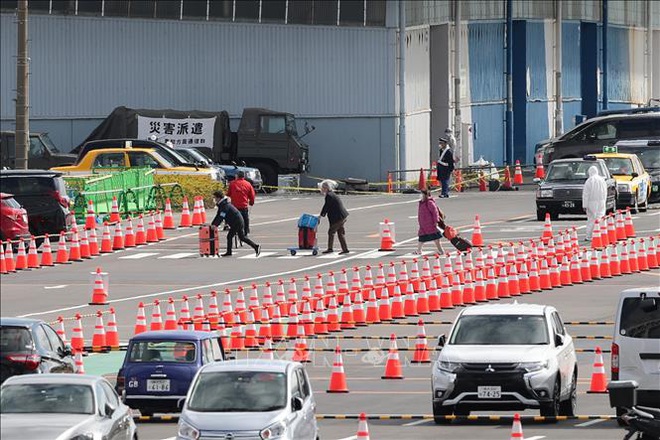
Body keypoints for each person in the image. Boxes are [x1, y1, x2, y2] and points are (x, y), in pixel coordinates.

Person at [211, 190, 261, 257]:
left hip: (236, 222)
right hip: (237, 221)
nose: (214, 199)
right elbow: (218, 215)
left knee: (230, 236)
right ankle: (256, 246)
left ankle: (229, 252)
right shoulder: (222, 204)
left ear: (219, 198)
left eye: (215, 198)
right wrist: (213, 224)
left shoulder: (224, 205)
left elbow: (221, 216)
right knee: (242, 237)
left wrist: (215, 225)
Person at [319, 179, 349, 254]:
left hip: (338, 217)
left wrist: (321, 215)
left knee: (331, 232)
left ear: (326, 188)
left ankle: (330, 248)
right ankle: (345, 249)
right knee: (340, 233)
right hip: (342, 216)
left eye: (322, 188)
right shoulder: (332, 194)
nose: (321, 189)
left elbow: (326, 206)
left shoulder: (329, 196)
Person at [415, 189, 445, 254]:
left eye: (422, 194)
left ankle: (441, 251)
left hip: (430, 224)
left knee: (436, 238)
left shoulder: (429, 202)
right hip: (424, 224)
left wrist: (436, 221)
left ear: (425, 195)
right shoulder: (422, 202)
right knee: (421, 237)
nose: (420, 195)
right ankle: (419, 250)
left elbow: (435, 212)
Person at [582, 166, 608, 242]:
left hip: (591, 202)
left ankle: (589, 236)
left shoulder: (589, 181)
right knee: (600, 217)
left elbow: (586, 194)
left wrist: (585, 205)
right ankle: (601, 234)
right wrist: (604, 201)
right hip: (601, 201)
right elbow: (605, 192)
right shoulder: (602, 180)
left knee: (591, 219)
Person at [227, 170, 256, 235]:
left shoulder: (232, 183)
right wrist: (251, 202)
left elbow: (228, 194)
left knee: (232, 218)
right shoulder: (248, 184)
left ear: (237, 176)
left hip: (234, 206)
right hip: (243, 206)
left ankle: (232, 228)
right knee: (246, 218)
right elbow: (252, 195)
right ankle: (246, 230)